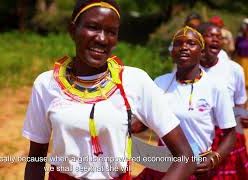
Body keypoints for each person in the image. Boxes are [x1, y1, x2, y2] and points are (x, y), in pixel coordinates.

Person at [22, 1, 196, 179]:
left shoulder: (135, 81)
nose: (102, 39)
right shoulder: (47, 84)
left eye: (111, 32)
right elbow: (36, 159)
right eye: (93, 27)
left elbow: (185, 157)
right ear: (73, 31)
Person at [136, 26, 237, 179]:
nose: (184, 47)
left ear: (201, 52)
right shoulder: (160, 83)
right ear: (172, 52)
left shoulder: (216, 86)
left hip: (196, 167)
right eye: (178, 43)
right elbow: (145, 121)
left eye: (191, 43)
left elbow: (230, 134)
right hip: (163, 162)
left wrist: (213, 159)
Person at [197, 22, 248, 179]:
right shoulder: (188, 68)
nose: (215, 39)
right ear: (199, 39)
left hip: (227, 136)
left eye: (218, 37)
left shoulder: (234, 69)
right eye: (210, 35)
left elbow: (240, 102)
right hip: (199, 134)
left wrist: (242, 122)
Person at [234, 18, 248, 88]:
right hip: (239, 61)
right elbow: (235, 50)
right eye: (244, 26)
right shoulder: (239, 38)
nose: (244, 28)